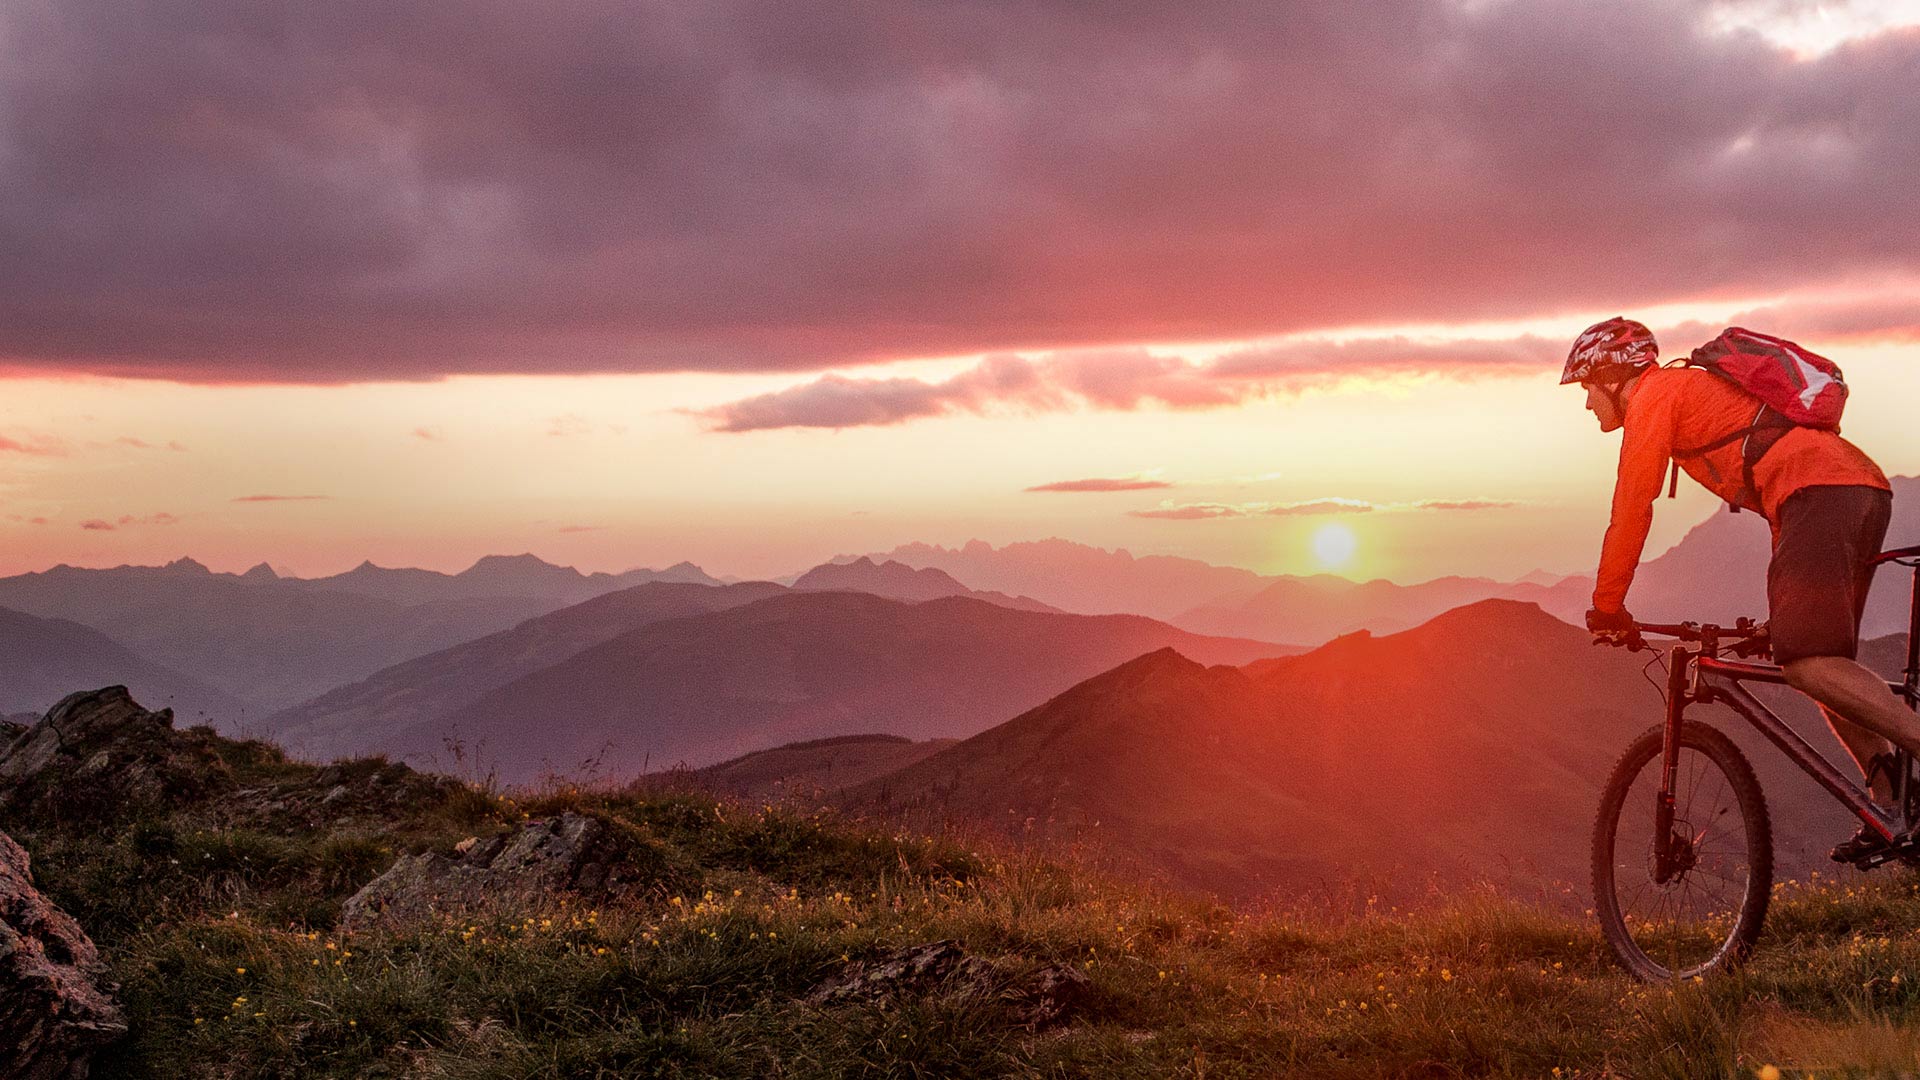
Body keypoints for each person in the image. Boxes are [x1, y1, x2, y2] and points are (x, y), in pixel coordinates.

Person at [1566, 316, 1914, 861]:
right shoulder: (1690, 392)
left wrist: (1607, 605)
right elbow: (1774, 479)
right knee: (1821, 664)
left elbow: (1632, 506)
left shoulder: (1658, 395)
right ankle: (1891, 807)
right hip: (1850, 490)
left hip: (1821, 493)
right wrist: (1783, 614)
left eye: (1587, 387)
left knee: (1806, 664)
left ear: (1612, 376)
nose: (1587, 404)